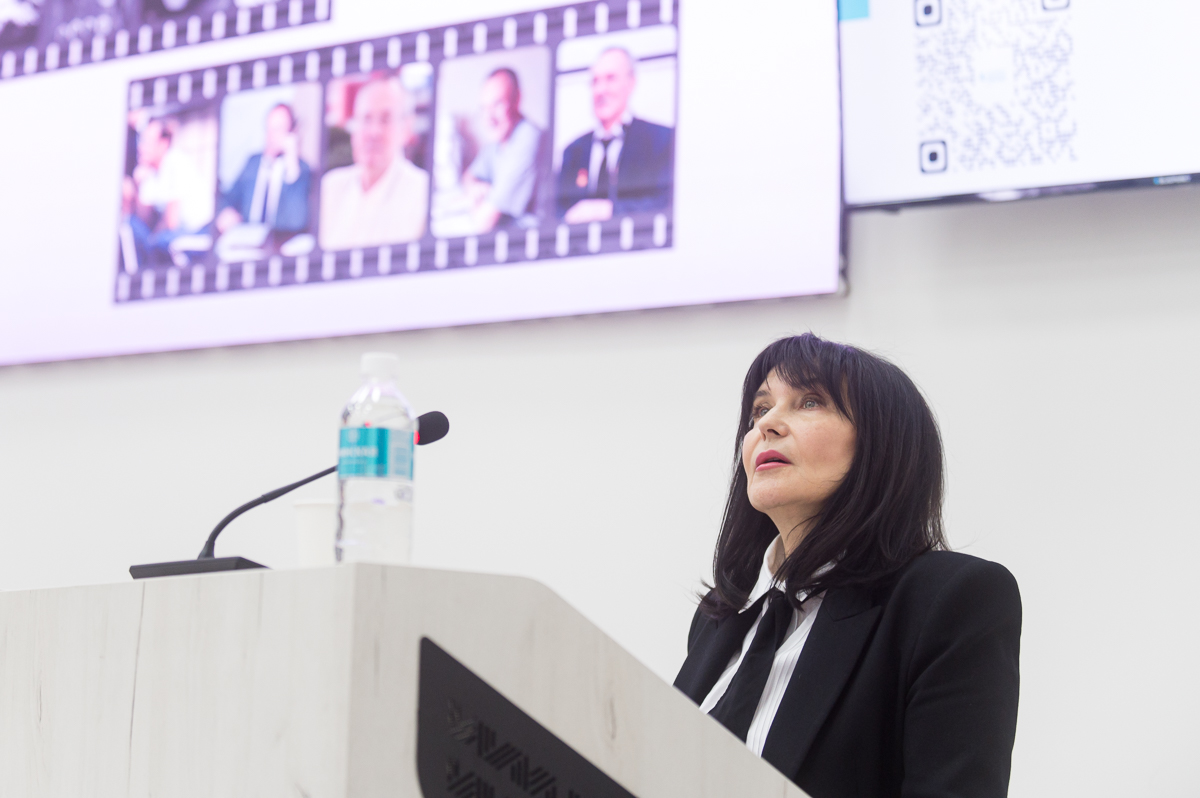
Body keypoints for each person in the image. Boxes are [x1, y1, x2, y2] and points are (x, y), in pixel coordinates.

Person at [673, 334, 1021, 798]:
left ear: (882, 444)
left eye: (810, 402)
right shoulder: (720, 616)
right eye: (760, 409)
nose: (767, 425)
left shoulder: (952, 599)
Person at [556, 47, 673, 223]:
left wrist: (611, 210)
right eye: (595, 81)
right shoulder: (573, 151)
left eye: (610, 78)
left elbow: (665, 203)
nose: (601, 90)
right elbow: (557, 211)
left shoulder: (661, 140)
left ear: (631, 83)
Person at [319, 76, 429, 250]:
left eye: (385, 119)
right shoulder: (330, 187)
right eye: (366, 118)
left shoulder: (423, 193)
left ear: (406, 128)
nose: (374, 132)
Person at [462, 68, 544, 233]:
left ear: (517, 99)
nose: (489, 118)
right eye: (484, 108)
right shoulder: (496, 142)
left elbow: (484, 222)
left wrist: (478, 204)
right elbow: (468, 177)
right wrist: (476, 188)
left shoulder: (529, 138)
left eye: (497, 104)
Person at [215, 103, 312, 235]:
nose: (271, 135)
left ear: (291, 133)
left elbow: (297, 221)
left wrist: (292, 165)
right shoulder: (253, 163)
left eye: (278, 129)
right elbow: (229, 197)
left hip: (278, 241)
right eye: (269, 129)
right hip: (246, 239)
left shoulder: (300, 170)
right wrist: (226, 211)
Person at [122, 117, 211, 258]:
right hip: (176, 233)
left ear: (164, 143)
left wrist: (150, 241)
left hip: (200, 231)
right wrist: (136, 188)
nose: (141, 148)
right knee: (130, 225)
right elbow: (143, 220)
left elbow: (171, 222)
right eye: (141, 142)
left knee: (156, 244)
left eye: (147, 142)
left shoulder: (175, 161)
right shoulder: (149, 173)